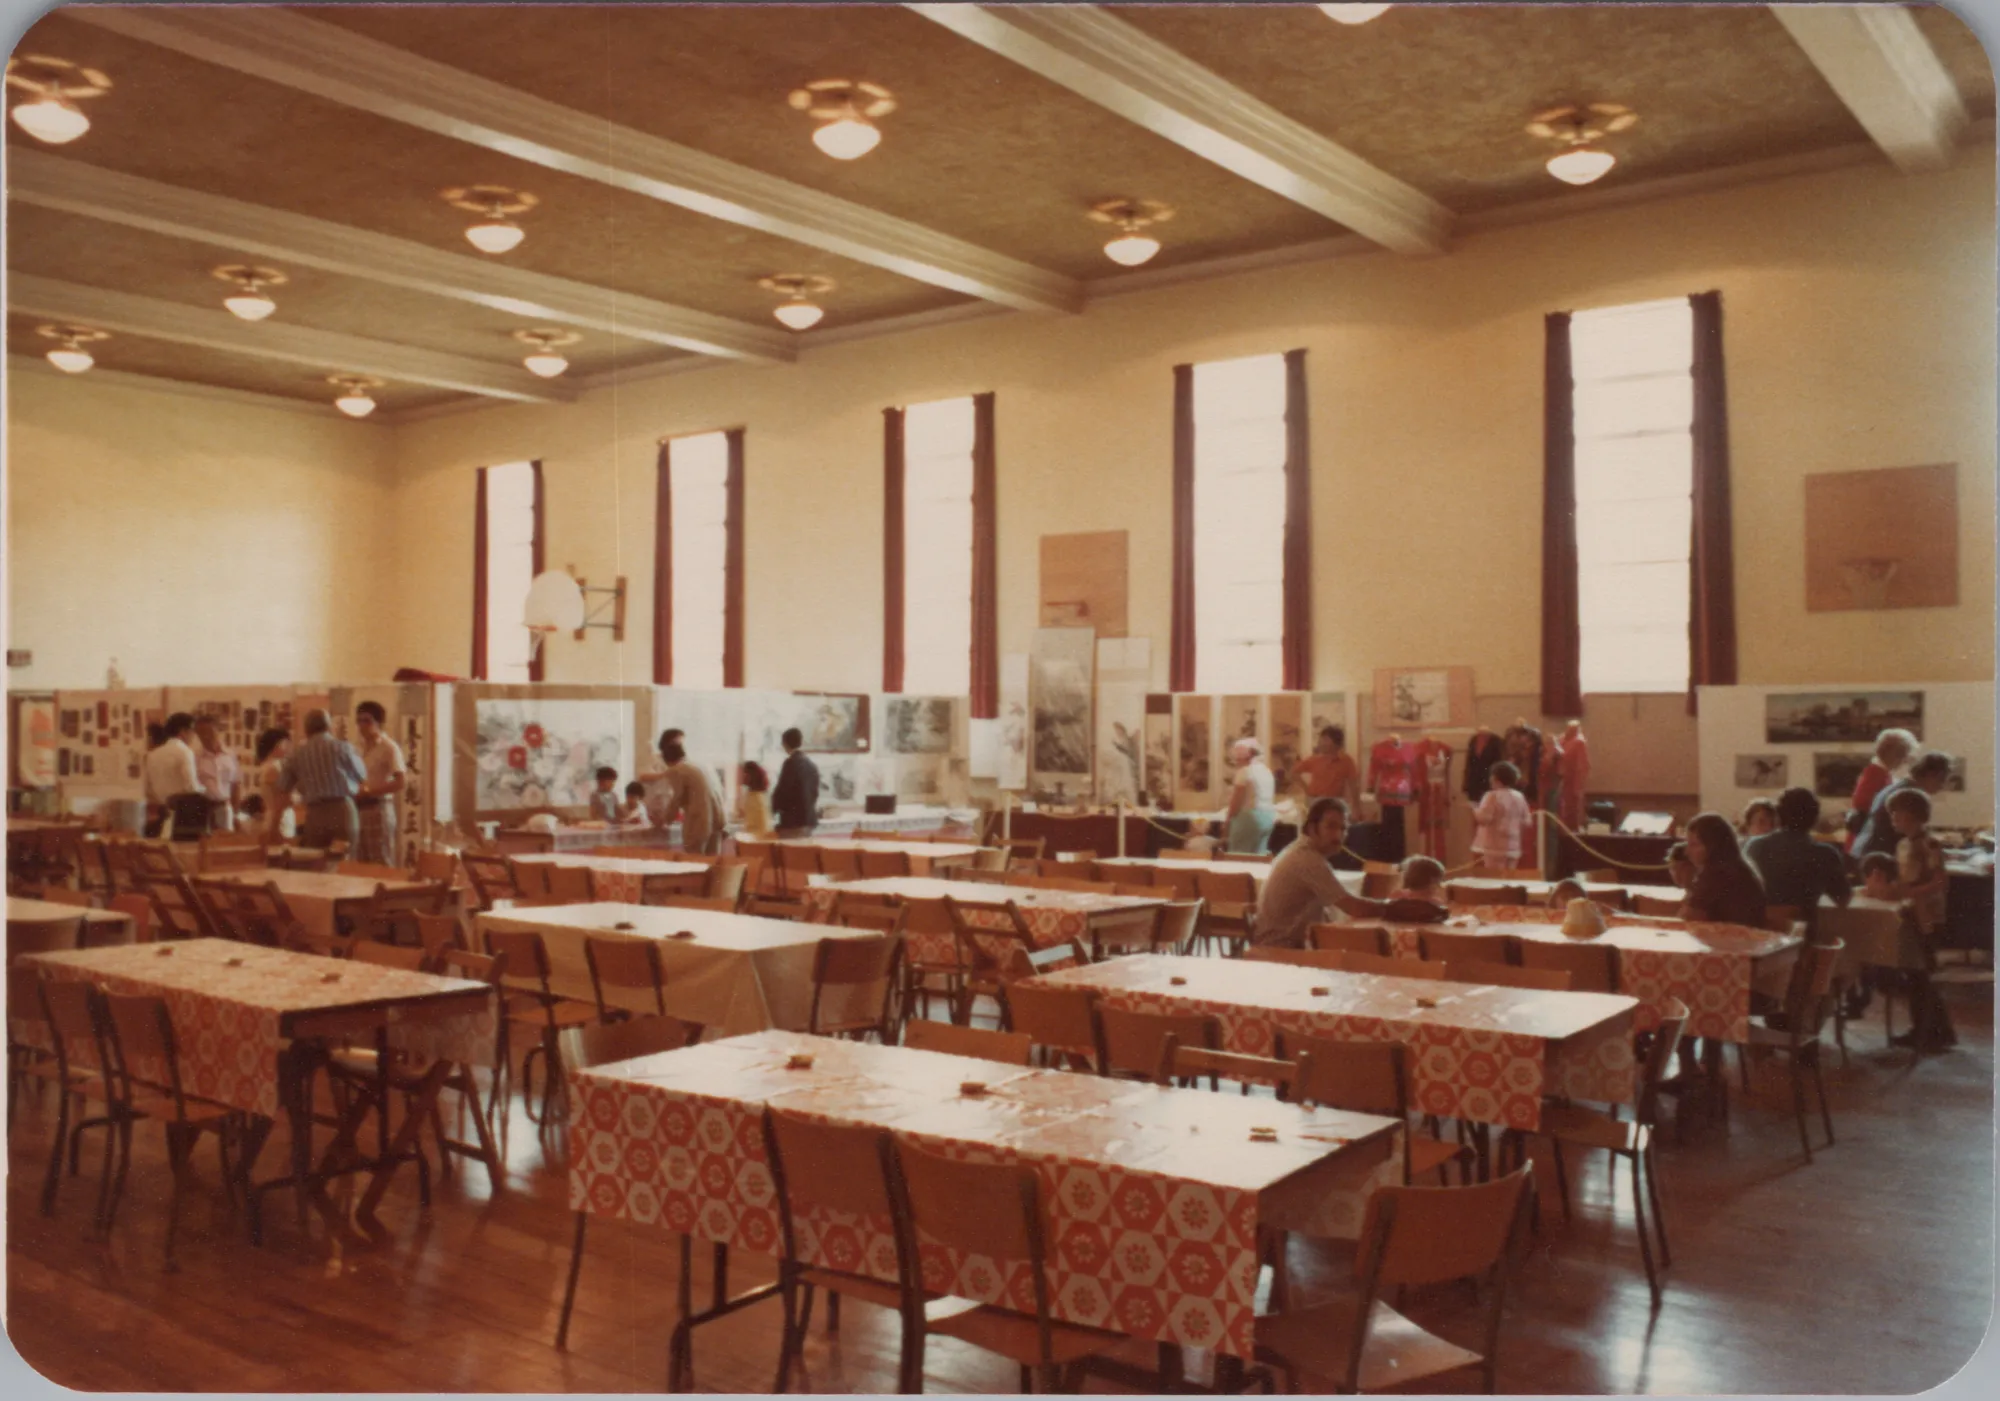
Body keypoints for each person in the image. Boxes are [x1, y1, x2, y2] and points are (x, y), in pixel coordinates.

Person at [1256, 798, 1396, 947]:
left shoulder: (1298, 851)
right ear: (1312, 828)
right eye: (1331, 826)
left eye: (1343, 829)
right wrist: (1394, 908)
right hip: (1280, 949)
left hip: (1280, 944)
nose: (1338, 835)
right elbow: (1354, 908)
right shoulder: (1308, 860)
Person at [1885, 787, 1956, 1051]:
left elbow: (1940, 881)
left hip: (1928, 917)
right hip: (1910, 913)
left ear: (1913, 814)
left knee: (1924, 975)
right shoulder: (1902, 845)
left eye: (1898, 813)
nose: (1894, 819)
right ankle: (1923, 1029)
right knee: (1915, 974)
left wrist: (1910, 892)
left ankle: (1935, 1033)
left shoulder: (1930, 844)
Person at [1745, 786, 1850, 941]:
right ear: (1814, 819)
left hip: (1758, 938)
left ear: (1778, 816)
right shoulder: (1825, 854)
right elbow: (1843, 899)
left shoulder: (1754, 847)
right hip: (1801, 941)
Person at [277, 708, 367, 852]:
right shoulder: (343, 747)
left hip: (315, 813)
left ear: (306, 730)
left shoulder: (297, 754)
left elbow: (283, 788)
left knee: (315, 859)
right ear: (329, 726)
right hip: (342, 809)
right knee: (344, 859)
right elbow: (362, 775)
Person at [1852, 751, 1954, 860]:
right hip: (1879, 857)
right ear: (1930, 775)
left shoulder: (1899, 787)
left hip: (1868, 852)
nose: (1942, 785)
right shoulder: (1909, 794)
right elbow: (1908, 833)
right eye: (1941, 779)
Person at [1679, 811, 1768, 927]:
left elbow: (1688, 917)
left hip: (1733, 937)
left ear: (1713, 846)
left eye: (1694, 845)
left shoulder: (1717, 874)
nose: (1687, 852)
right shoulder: (1740, 868)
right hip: (1751, 936)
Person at [652, 729, 725, 855]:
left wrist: (664, 820)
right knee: (713, 862)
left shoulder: (677, 769)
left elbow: (677, 799)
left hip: (700, 822)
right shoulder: (701, 765)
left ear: (666, 760)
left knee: (694, 862)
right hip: (718, 820)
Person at [353, 700, 408, 866]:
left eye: (367, 721)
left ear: (379, 723)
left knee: (381, 860)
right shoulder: (357, 747)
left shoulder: (389, 747)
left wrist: (369, 791)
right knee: (360, 862)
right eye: (359, 721)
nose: (362, 726)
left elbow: (400, 782)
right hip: (359, 809)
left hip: (379, 808)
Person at [1846, 727, 1919, 846]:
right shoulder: (1876, 774)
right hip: (1867, 841)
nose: (1904, 761)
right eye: (1904, 755)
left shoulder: (1880, 773)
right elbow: (1864, 806)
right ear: (1895, 754)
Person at [142, 712, 200, 839]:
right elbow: (191, 787)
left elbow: (148, 791)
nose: (193, 736)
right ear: (183, 731)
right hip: (185, 818)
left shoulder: (152, 755)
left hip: (163, 815)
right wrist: (205, 792)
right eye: (192, 732)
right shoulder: (185, 752)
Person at [1470, 761, 1531, 871]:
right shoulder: (1519, 796)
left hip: (1493, 847)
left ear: (1495, 778)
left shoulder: (1492, 796)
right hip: (1513, 846)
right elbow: (1527, 821)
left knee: (1495, 877)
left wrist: (1474, 809)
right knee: (1509, 877)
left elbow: (1484, 819)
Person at [1224, 738, 1277, 855]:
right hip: (1268, 818)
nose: (1236, 763)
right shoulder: (1267, 771)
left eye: (1237, 759)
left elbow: (1236, 803)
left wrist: (1227, 823)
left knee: (1238, 857)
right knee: (1259, 857)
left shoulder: (1244, 772)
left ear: (1244, 757)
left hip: (1249, 819)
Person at [191, 715, 242, 832]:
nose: (205, 736)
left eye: (209, 732)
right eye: (200, 733)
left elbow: (236, 785)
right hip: (204, 810)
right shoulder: (194, 758)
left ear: (218, 730)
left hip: (225, 807)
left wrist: (236, 814)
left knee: (225, 840)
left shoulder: (230, 756)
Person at [771, 728, 821, 838]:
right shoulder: (811, 765)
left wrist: (772, 809)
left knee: (790, 848)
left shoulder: (790, 764)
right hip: (809, 820)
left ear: (785, 744)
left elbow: (783, 791)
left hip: (793, 822)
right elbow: (815, 793)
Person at [1294, 726, 1359, 807]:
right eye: (1320, 739)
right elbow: (1294, 773)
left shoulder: (1346, 760)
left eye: (1325, 739)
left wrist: (1356, 806)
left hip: (1335, 801)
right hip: (1314, 799)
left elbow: (1353, 784)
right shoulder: (1315, 759)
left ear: (1337, 744)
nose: (1321, 743)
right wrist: (1306, 789)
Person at [254, 728, 297, 843]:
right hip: (279, 819)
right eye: (287, 743)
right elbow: (284, 797)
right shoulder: (273, 768)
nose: (290, 747)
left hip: (279, 816)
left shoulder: (273, 766)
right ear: (277, 745)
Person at [736, 761, 774, 839]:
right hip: (758, 837)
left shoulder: (755, 797)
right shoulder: (758, 794)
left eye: (743, 773)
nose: (739, 777)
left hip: (757, 839)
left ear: (750, 775)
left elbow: (759, 825)